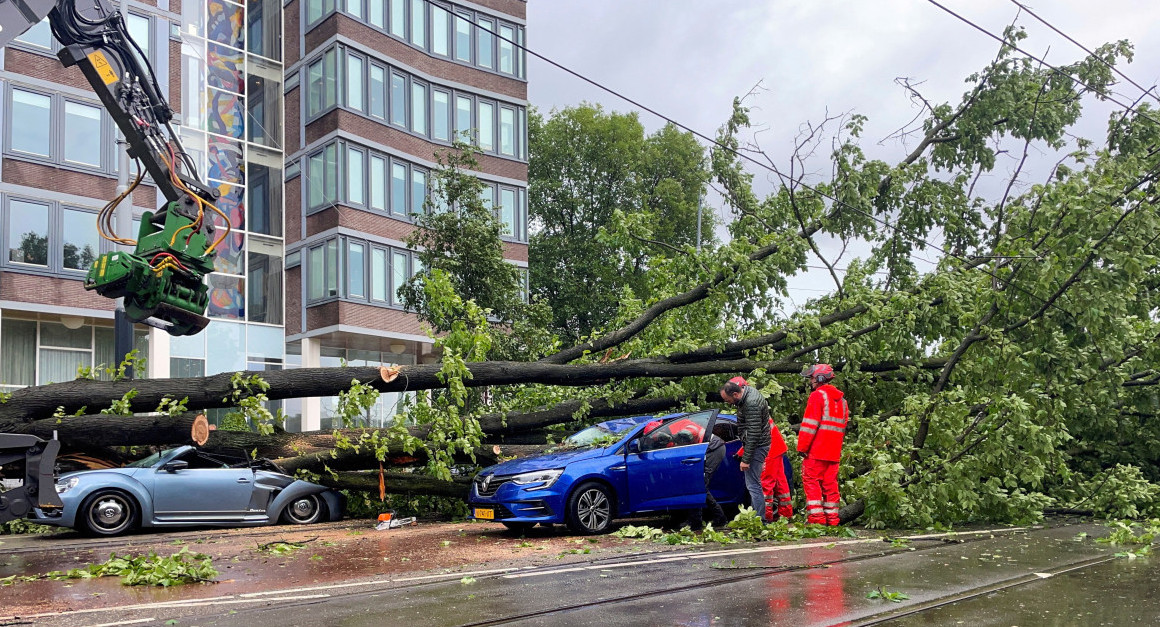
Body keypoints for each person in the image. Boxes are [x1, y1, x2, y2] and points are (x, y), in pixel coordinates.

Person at [730, 376, 794, 523]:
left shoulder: (750, 406)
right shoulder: (755, 403)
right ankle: (785, 516)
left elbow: (754, 435)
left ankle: (765, 518)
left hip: (769, 450)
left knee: (764, 485)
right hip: (777, 448)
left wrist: (743, 454)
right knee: (780, 484)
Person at [796, 364, 849, 526]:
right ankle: (832, 520)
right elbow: (842, 427)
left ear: (819, 378)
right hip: (833, 453)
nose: (810, 381)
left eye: (812, 378)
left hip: (816, 451)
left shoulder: (817, 396)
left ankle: (817, 521)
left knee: (811, 482)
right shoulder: (843, 402)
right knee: (830, 485)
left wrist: (802, 448)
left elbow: (809, 426)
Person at [720, 378, 771, 516]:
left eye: (728, 400)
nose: (728, 403)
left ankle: (759, 520)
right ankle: (756, 517)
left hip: (758, 445)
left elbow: (754, 433)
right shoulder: (748, 394)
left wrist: (746, 459)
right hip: (759, 444)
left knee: (753, 485)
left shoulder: (751, 403)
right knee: (753, 484)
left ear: (735, 394)